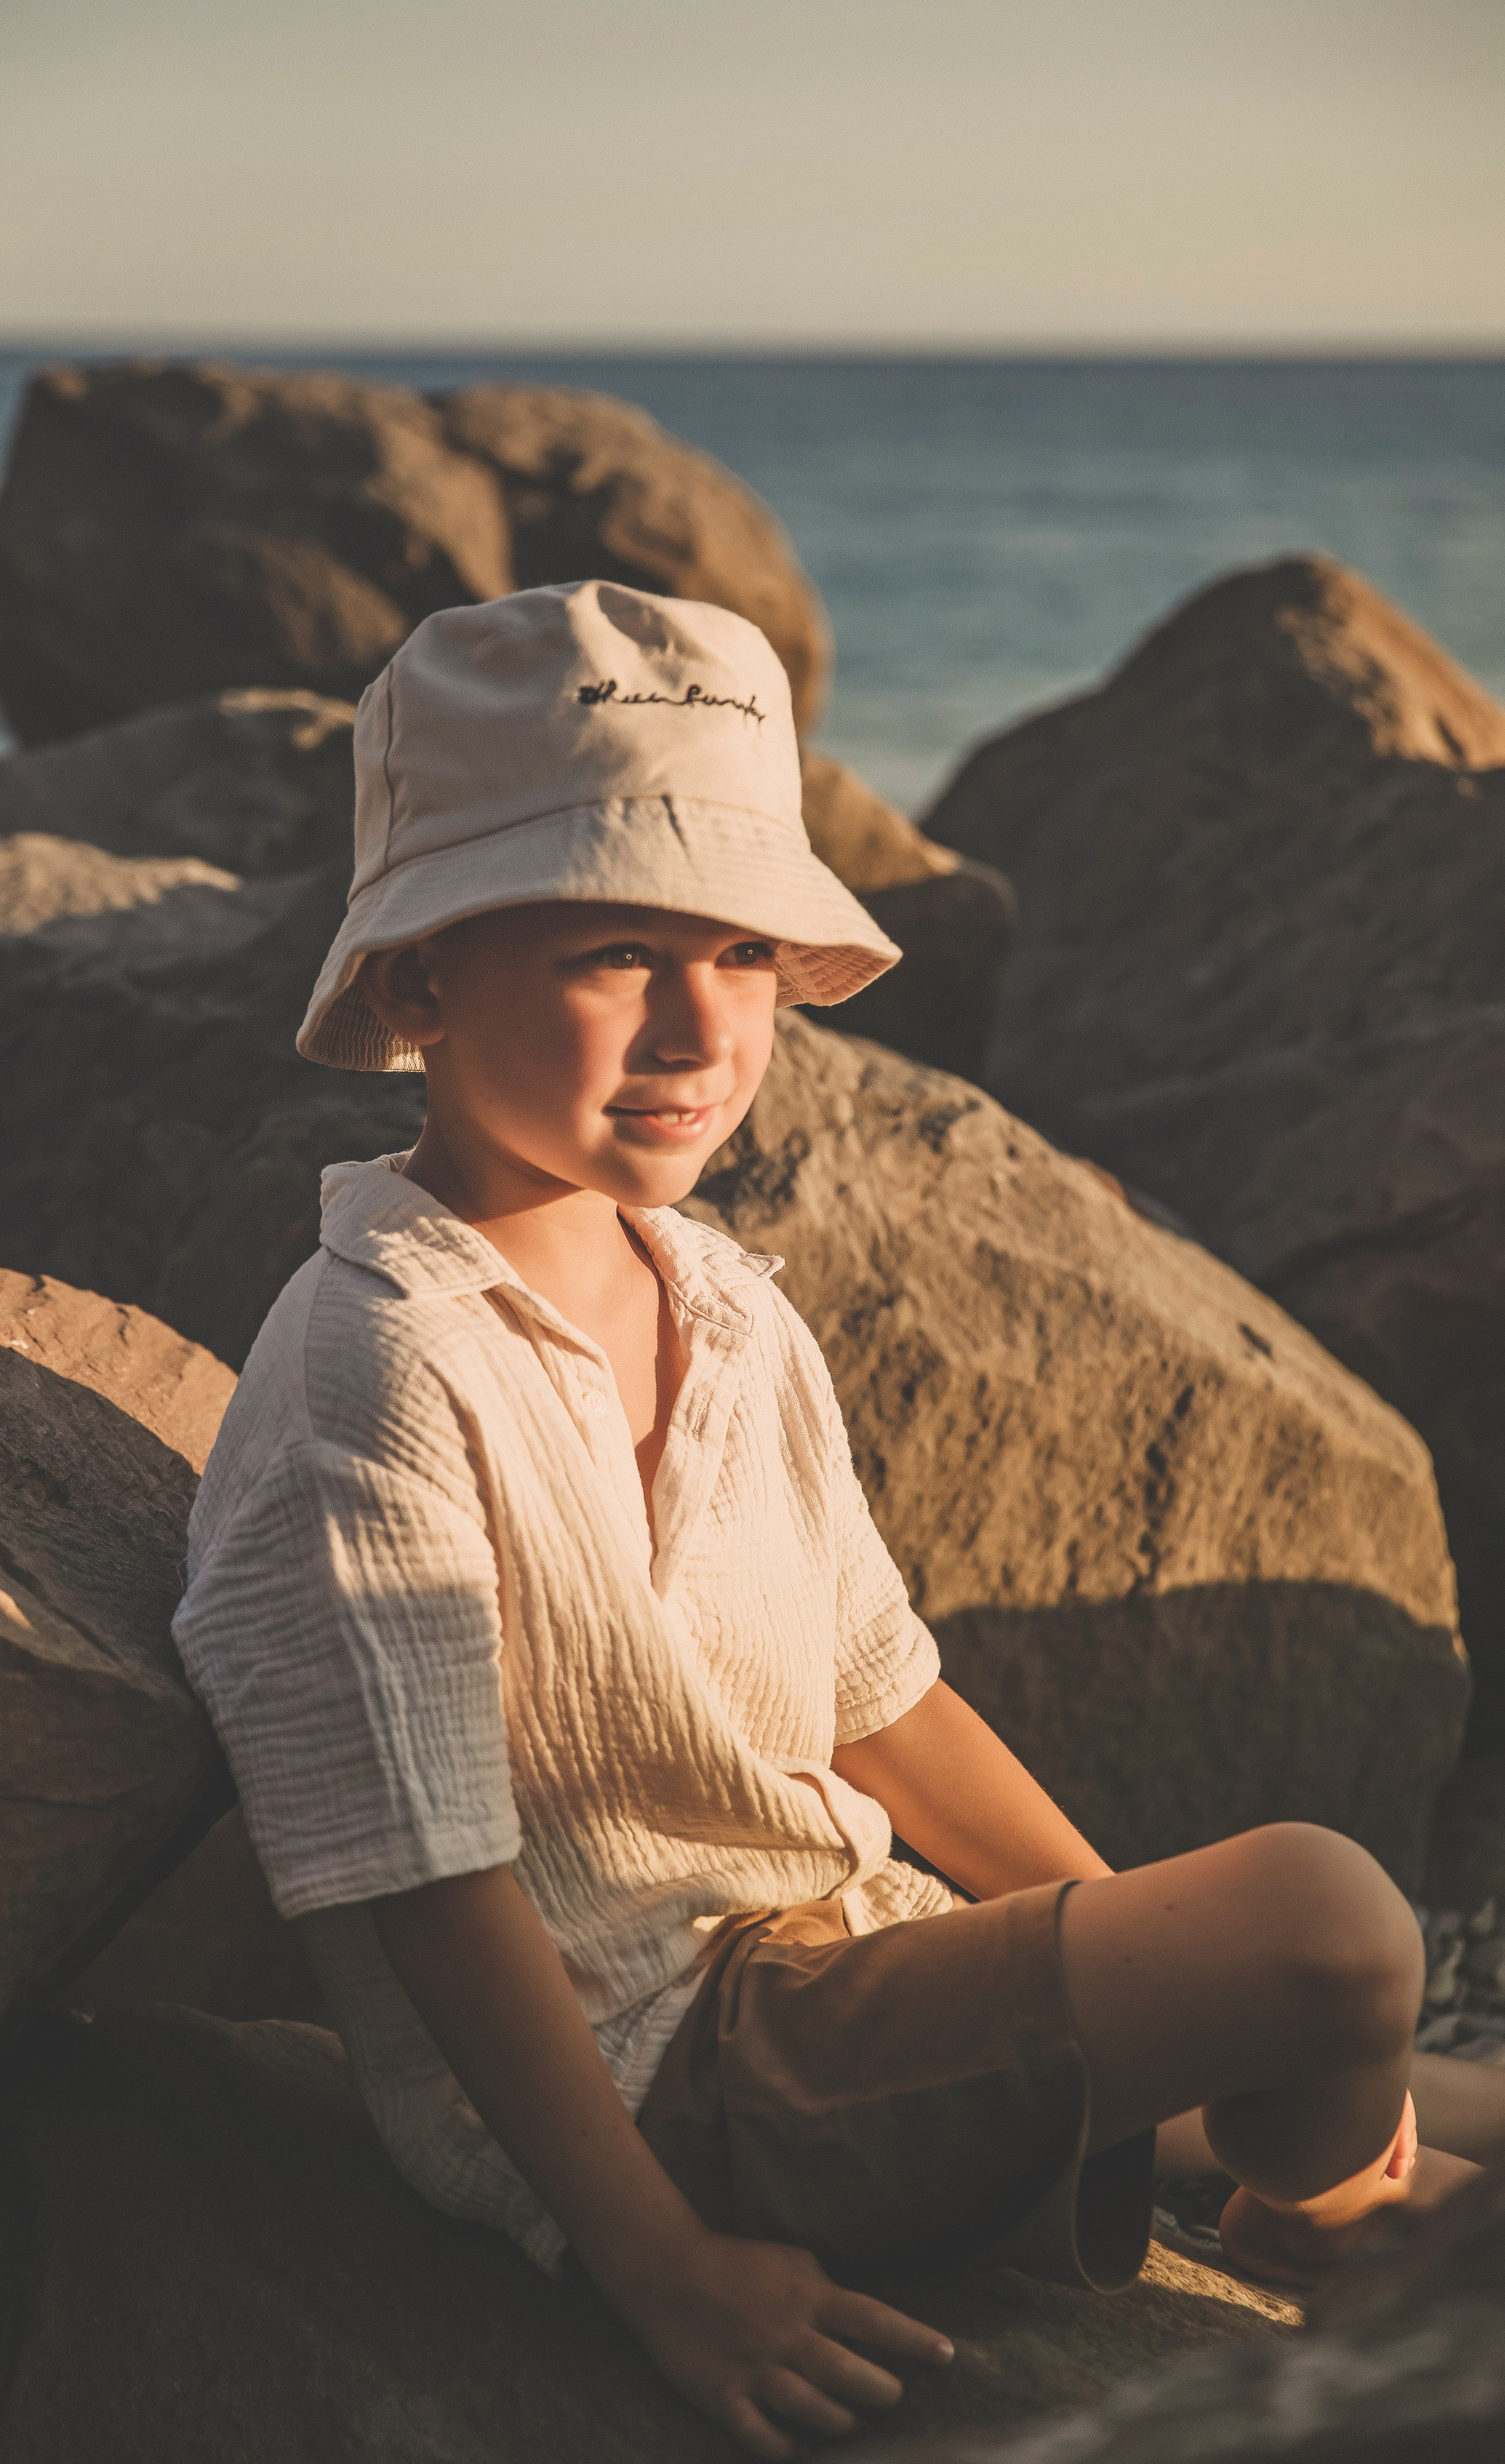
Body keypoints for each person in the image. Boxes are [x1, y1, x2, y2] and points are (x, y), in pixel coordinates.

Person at [175, 579, 1486, 2460]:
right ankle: (1322, 2213)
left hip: (838, 1965)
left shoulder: (720, 1303)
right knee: (1333, 1926)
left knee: (1373, 2043)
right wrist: (651, 2262)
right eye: (619, 951)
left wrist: (1113, 1947)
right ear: (416, 979)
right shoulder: (375, 1370)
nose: (702, 1026)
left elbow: (882, 1704)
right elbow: (433, 1885)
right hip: (665, 2075)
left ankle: (1272, 2143)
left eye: (744, 954)